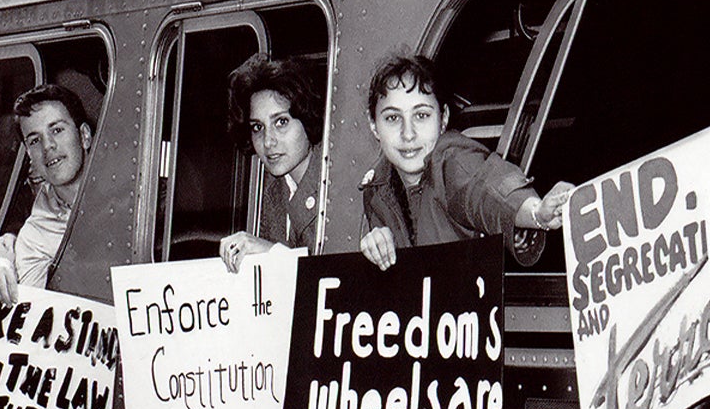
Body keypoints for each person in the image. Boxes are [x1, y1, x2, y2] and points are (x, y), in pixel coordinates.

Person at [356, 53, 573, 270]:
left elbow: (485, 188)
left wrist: (536, 212)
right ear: (373, 124)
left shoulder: (451, 161)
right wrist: (377, 247)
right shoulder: (376, 190)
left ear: (443, 119)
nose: (408, 134)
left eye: (421, 115)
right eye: (393, 118)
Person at [0, 80, 98, 300]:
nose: (48, 146)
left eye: (57, 130)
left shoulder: (135, 187)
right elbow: (32, 308)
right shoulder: (34, 235)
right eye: (35, 140)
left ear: (84, 136)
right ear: (29, 155)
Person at [218, 54, 325, 273]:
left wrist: (272, 253)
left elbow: (332, 272)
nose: (268, 141)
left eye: (281, 122)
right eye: (258, 127)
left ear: (307, 118)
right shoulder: (270, 190)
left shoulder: (333, 182)